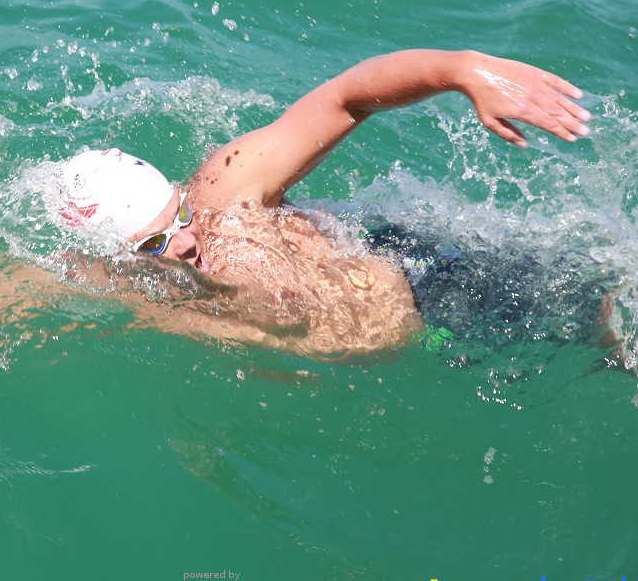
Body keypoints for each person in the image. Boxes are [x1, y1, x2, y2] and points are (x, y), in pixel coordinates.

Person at [55, 49, 599, 357]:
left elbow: (345, 98)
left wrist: (461, 72)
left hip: (431, 285)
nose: (186, 240)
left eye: (179, 215)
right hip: (428, 345)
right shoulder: (128, 289)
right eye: (155, 243)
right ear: (121, 257)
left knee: (611, 315)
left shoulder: (227, 188)